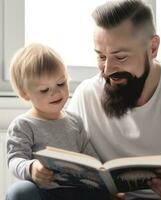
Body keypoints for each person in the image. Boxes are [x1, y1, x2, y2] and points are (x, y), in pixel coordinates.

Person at [67, 0, 161, 199]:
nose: (108, 70)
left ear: (153, 48)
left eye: (120, 57)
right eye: (101, 57)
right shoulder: (86, 96)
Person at [6, 43, 110, 200]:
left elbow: (91, 157)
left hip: (78, 190)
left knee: (103, 191)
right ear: (25, 94)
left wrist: (106, 179)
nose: (55, 92)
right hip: (45, 192)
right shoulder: (23, 125)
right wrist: (32, 167)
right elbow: (15, 160)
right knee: (20, 192)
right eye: (44, 90)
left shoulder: (75, 121)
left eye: (61, 83)